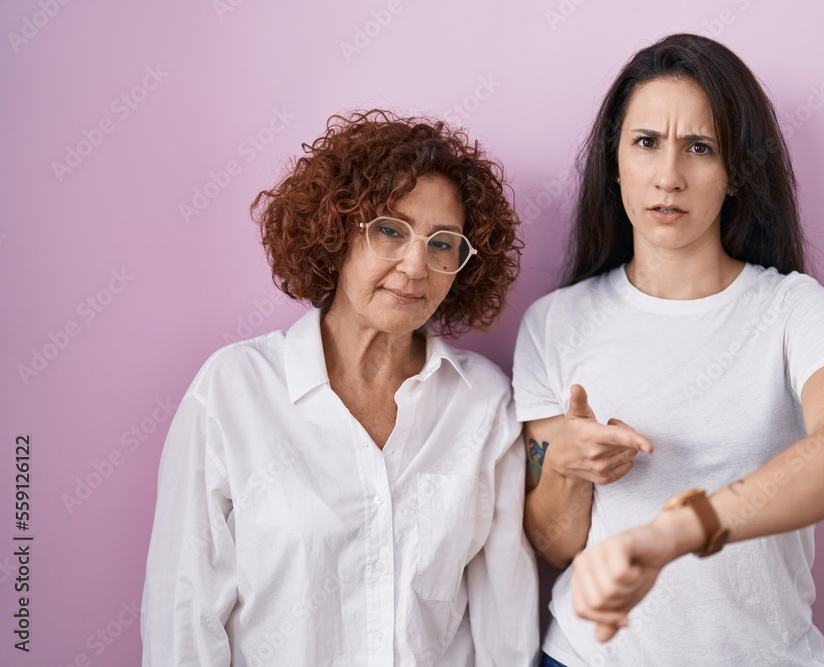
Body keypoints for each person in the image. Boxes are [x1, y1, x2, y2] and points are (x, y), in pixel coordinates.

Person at [513, 34, 824, 666]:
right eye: (645, 143)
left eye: (700, 147)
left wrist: (678, 531)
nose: (668, 176)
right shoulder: (554, 322)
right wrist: (565, 465)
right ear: (615, 164)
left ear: (736, 173)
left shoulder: (796, 310)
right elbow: (556, 545)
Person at [141, 109, 539, 666]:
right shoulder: (233, 390)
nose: (415, 264)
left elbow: (505, 621)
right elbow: (184, 614)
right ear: (336, 231)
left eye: (443, 243)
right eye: (389, 230)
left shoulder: (484, 404)